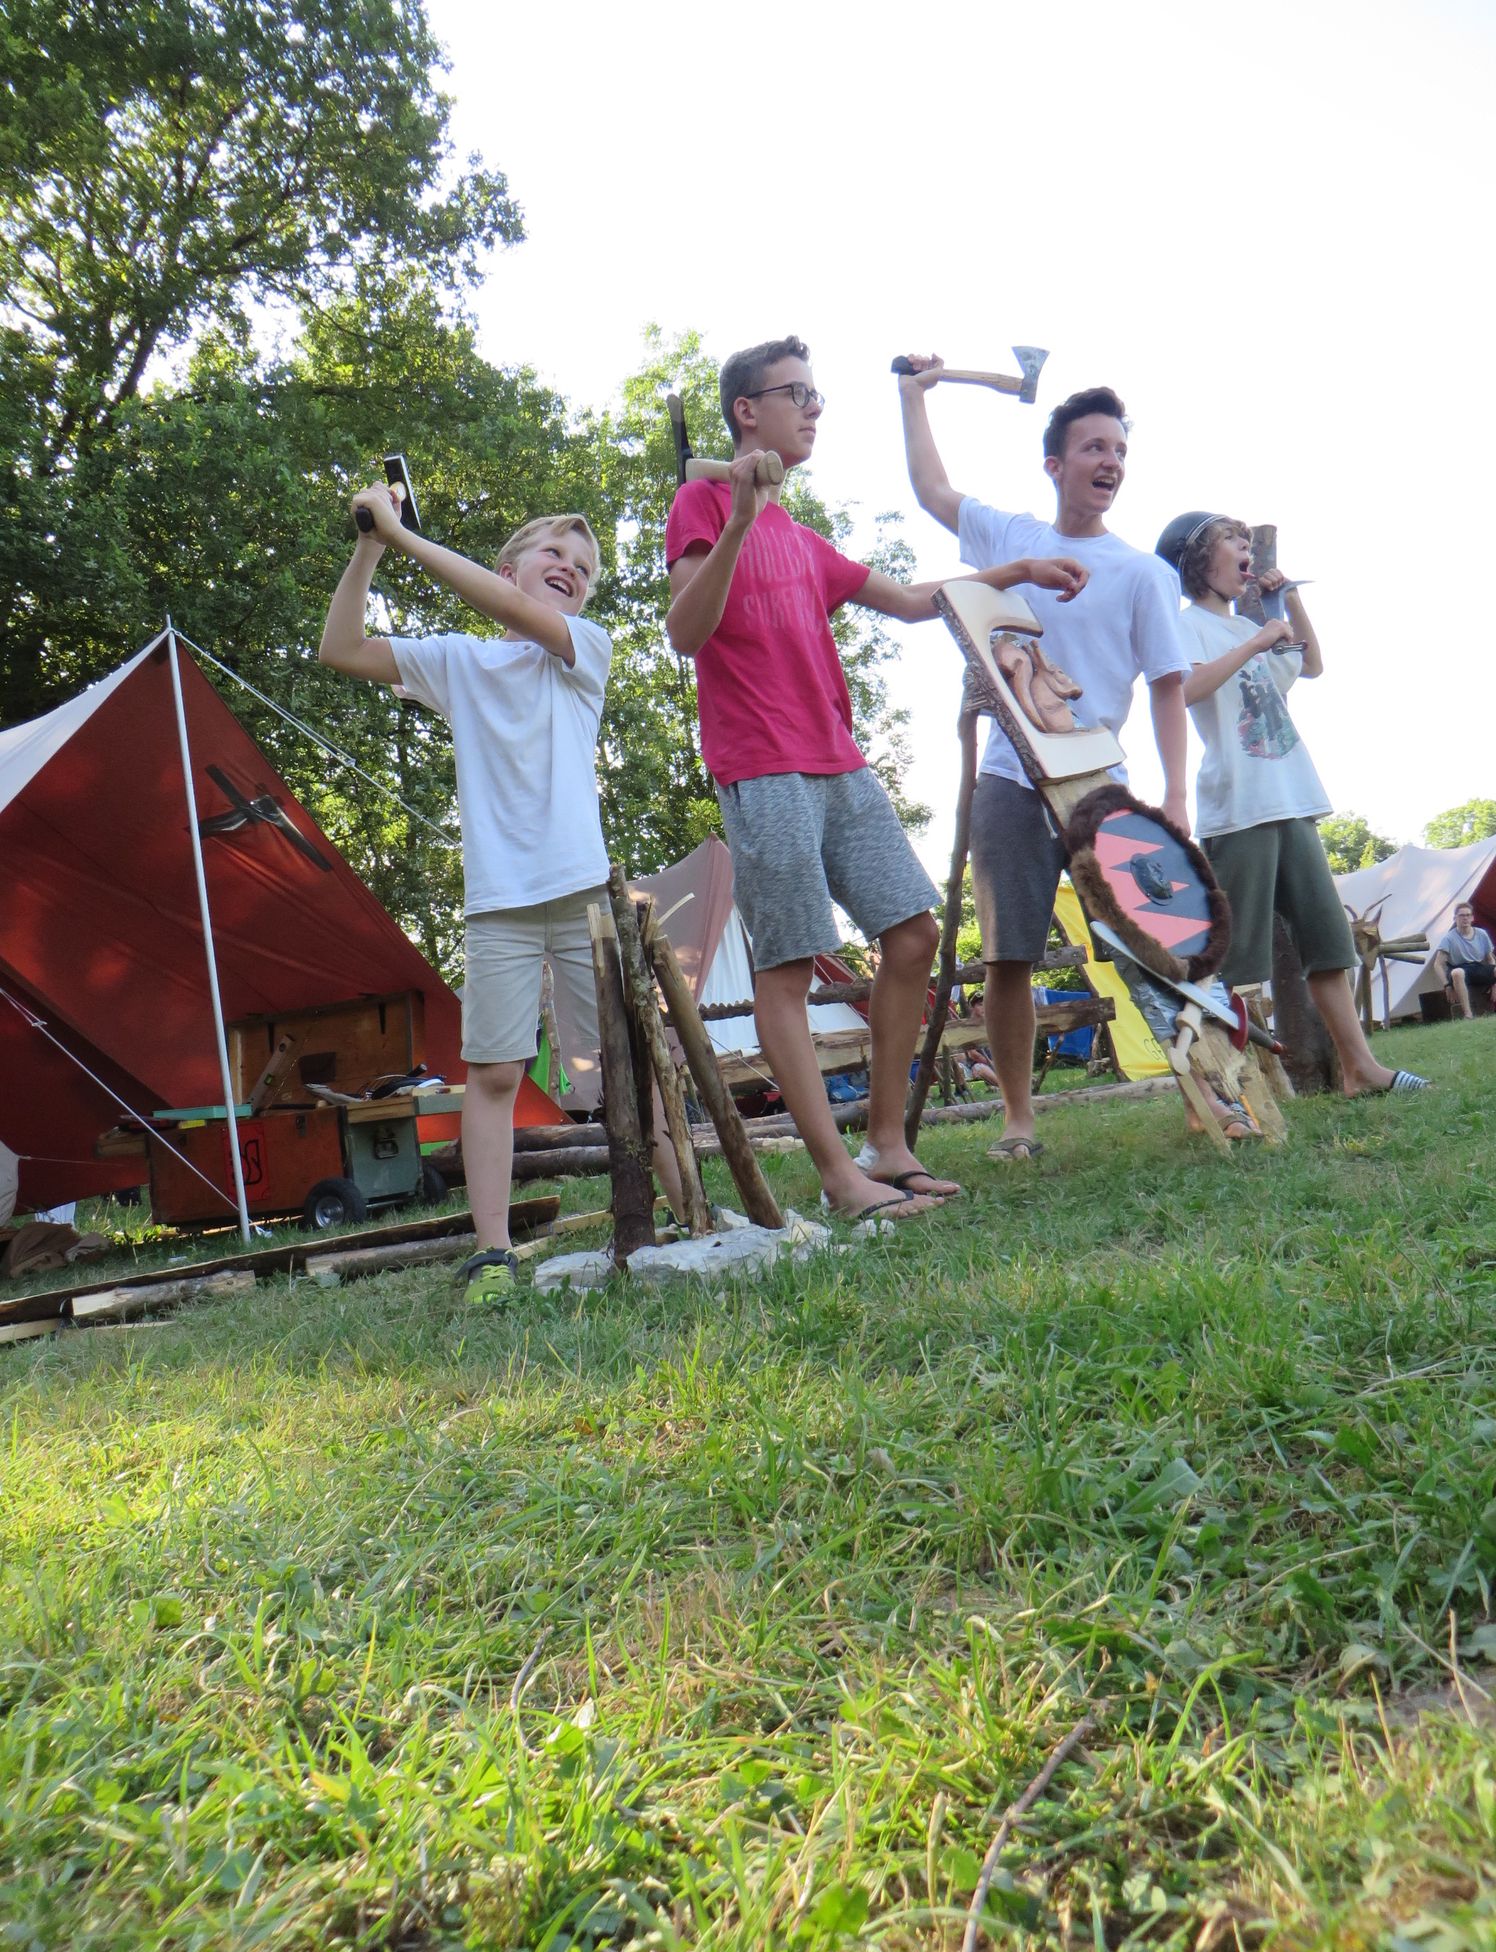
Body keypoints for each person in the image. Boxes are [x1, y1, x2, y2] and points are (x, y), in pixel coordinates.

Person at [665, 334, 1086, 1221]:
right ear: (747, 411)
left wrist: (1015, 570)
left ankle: (886, 1144)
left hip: (840, 762)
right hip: (762, 765)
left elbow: (910, 600)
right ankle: (838, 1178)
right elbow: (685, 632)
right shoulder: (701, 503)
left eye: (817, 395)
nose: (816, 409)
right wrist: (736, 520)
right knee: (787, 968)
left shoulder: (803, 540)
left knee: (914, 935)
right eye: (798, 394)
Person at [319, 492, 683, 1305]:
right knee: (493, 1074)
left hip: (586, 898)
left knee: (629, 1062)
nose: (571, 571)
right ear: (508, 567)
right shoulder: (459, 662)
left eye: (583, 568)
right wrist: (370, 546)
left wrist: (404, 536)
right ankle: (492, 1253)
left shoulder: (585, 649)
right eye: (555, 554)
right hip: (498, 905)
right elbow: (338, 646)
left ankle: (683, 1206)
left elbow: (515, 612)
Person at [898, 362, 1191, 1160]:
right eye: (1095, 447)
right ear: (1055, 463)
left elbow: (1168, 688)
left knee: (1158, 936)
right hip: (1009, 775)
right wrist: (913, 396)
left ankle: (1211, 1089)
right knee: (1009, 955)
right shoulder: (1015, 538)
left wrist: (1175, 795)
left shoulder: (1146, 573)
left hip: (1099, 784)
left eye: (1120, 450)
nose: (1111, 462)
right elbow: (932, 490)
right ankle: (1018, 1120)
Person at [1155, 511, 1429, 1096]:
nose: (1245, 548)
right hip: (1239, 810)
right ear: (1198, 560)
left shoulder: (1248, 625)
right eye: (1231, 540)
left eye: (1246, 540)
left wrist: (1291, 603)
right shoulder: (1187, 624)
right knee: (1232, 964)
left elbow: (1311, 666)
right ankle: (1225, 1093)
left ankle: (1360, 1070)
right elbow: (1185, 689)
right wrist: (1257, 639)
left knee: (1328, 946)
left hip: (1292, 800)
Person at [1433, 902, 1496, 1017]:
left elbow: (1490, 959)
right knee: (1457, 972)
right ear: (1455, 918)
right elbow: (1437, 964)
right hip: (1458, 968)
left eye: (1468, 915)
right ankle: (1468, 1014)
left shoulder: (1482, 934)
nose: (1465, 918)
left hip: (1477, 968)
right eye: (1461, 915)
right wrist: (1447, 985)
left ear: (1472, 918)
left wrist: (1494, 984)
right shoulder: (1449, 938)